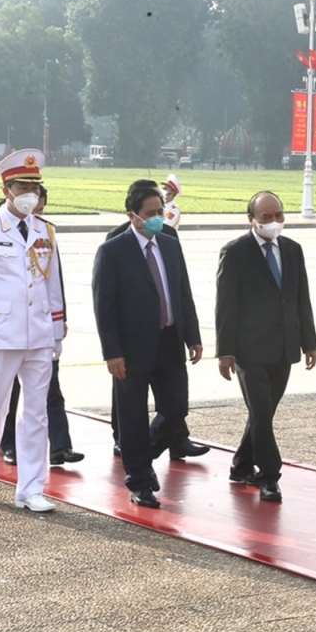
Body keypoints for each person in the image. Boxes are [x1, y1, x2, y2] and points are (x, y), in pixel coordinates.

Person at [0, 149, 65, 512]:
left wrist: (57, 331)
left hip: (37, 334)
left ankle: (31, 488)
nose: (30, 195)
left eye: (35, 187)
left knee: (36, 413)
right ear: (7, 189)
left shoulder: (45, 230)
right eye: (24, 187)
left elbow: (52, 284)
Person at [93, 182, 203, 509]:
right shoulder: (113, 251)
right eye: (150, 214)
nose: (157, 219)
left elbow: (183, 292)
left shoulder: (169, 243)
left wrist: (193, 336)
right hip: (131, 349)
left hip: (169, 342)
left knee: (176, 408)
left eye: (160, 212)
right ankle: (139, 481)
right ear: (132, 215)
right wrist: (112, 353)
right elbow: (105, 305)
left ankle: (142, 457)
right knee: (132, 416)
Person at [216, 191, 316, 503]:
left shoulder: (292, 249)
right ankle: (269, 476)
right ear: (252, 220)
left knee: (264, 414)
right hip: (249, 349)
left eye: (278, 216)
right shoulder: (235, 252)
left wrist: (309, 343)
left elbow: (301, 298)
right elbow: (226, 305)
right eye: (265, 217)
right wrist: (225, 351)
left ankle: (240, 465)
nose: (273, 222)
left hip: (285, 347)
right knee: (260, 413)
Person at [0, 186, 83, 466]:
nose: (37, 214)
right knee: (10, 392)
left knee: (51, 388)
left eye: (41, 209)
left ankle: (60, 445)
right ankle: (9, 444)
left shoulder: (46, 232)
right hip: (9, 329)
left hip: (42, 325)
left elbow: (53, 281)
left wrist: (59, 320)